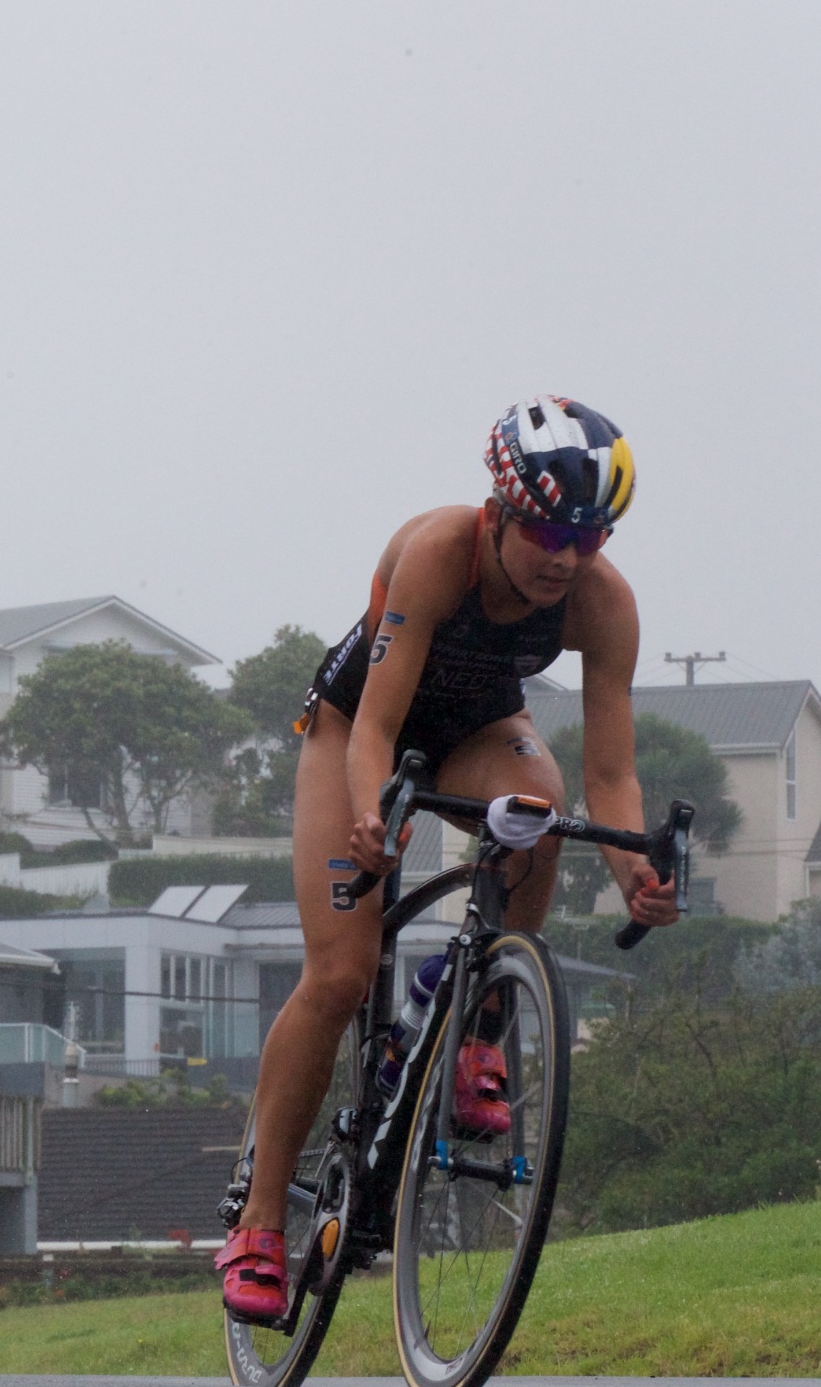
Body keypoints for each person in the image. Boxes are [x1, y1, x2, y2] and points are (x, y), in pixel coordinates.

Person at [215, 396, 680, 1321]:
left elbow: (611, 771)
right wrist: (368, 821)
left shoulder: (603, 599)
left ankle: (466, 1020)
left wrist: (635, 869)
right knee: (341, 975)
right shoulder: (435, 551)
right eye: (548, 528)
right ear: (501, 510)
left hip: (474, 726)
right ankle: (261, 1221)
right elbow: (377, 726)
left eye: (588, 536)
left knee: (539, 808)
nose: (564, 556)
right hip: (354, 728)